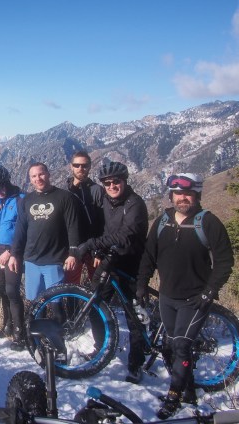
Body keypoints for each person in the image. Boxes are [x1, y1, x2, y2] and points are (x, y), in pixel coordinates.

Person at [136, 173, 234, 419]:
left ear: (197, 195)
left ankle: (174, 398)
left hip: (195, 298)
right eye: (178, 194)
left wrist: (210, 291)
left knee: (181, 346)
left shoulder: (208, 222)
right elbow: (148, 255)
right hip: (167, 296)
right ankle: (188, 391)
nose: (182, 198)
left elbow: (224, 262)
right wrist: (141, 283)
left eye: (188, 194)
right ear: (171, 195)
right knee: (170, 346)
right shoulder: (162, 221)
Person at [71, 161, 148, 383]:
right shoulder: (106, 201)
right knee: (94, 301)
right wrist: (98, 248)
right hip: (109, 260)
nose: (112, 185)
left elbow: (126, 235)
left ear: (124, 181)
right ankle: (101, 347)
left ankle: (136, 362)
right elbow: (103, 228)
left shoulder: (135, 204)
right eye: (107, 183)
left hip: (132, 263)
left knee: (133, 315)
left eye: (116, 181)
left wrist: (92, 243)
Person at [8, 162, 81, 348]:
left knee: (56, 304)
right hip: (31, 261)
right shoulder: (27, 200)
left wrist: (73, 252)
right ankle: (35, 342)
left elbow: (73, 226)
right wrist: (15, 254)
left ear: (48, 174)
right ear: (30, 179)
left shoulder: (64, 197)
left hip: (54, 260)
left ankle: (58, 344)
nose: (38, 179)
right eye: (33, 176)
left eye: (41, 174)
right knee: (34, 305)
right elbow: (20, 230)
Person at [0, 165, 25, 342]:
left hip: (12, 252)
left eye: (0, 186)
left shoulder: (20, 200)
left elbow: (25, 231)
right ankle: (7, 326)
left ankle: (19, 332)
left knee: (12, 291)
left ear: (8, 181)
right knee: (2, 290)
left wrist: (10, 252)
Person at [64, 151, 105, 284]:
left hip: (93, 245)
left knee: (96, 283)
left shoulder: (97, 190)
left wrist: (99, 250)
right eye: (77, 165)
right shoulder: (65, 192)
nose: (80, 168)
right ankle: (73, 305)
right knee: (71, 283)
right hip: (73, 246)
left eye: (84, 165)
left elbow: (104, 221)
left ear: (89, 166)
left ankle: (95, 306)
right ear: (71, 166)